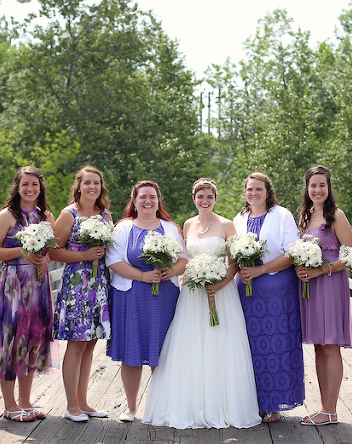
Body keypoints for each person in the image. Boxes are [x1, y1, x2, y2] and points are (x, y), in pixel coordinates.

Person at [143, 178, 261, 429]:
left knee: (222, 344)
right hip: (193, 295)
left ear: (215, 199)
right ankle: (191, 405)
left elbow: (235, 261)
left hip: (223, 293)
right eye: (200, 197)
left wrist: (221, 283)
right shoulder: (187, 225)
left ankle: (225, 405)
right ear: (194, 199)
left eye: (209, 197)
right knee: (191, 345)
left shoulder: (227, 225)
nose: (205, 201)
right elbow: (185, 259)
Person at [106, 180, 188, 422]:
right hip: (130, 296)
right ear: (134, 200)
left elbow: (183, 258)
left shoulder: (170, 228)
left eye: (152, 196)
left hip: (164, 297)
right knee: (132, 352)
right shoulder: (123, 228)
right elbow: (113, 260)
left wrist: (171, 271)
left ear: (158, 200)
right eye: (142, 196)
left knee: (162, 352)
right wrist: (143, 275)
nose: (147, 201)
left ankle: (160, 407)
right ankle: (131, 408)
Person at [0, 166, 58, 422]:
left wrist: (45, 259)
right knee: (12, 343)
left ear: (40, 188)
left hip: (38, 287)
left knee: (33, 343)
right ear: (17, 187)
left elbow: (52, 250)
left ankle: (26, 402)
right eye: (25, 184)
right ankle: (10, 405)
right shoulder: (6, 216)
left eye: (34, 185)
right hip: (14, 287)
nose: (30, 189)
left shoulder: (46, 216)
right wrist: (21, 252)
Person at [233, 172, 304, 423]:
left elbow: (292, 253)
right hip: (246, 290)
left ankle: (275, 404)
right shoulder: (239, 218)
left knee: (276, 344)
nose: (254, 193)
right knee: (249, 346)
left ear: (268, 191)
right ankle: (254, 402)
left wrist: (260, 269)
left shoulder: (281, 215)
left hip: (277, 288)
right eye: (250, 189)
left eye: (258, 189)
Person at [294, 165, 352, 426]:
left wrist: (322, 269)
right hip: (308, 286)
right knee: (319, 346)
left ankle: (330, 410)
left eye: (322, 185)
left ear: (328, 188)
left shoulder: (336, 215)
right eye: (313, 185)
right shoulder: (305, 216)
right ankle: (324, 408)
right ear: (307, 189)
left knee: (329, 345)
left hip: (329, 283)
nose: (317, 190)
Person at [49, 166, 111, 422]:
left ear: (101, 187)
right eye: (87, 183)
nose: (92, 187)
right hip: (77, 286)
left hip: (99, 286)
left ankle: (84, 402)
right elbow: (53, 252)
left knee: (89, 345)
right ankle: (71, 405)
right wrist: (83, 256)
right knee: (76, 345)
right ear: (79, 186)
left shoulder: (105, 215)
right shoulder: (68, 214)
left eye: (96, 183)